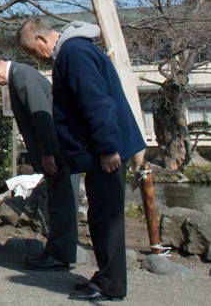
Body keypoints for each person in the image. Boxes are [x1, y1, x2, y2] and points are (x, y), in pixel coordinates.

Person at [18, 20, 146, 302]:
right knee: (101, 215)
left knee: (105, 217)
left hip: (105, 151)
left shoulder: (73, 52)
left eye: (32, 51)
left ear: (41, 37)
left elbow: (95, 101)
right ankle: (107, 279)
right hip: (100, 149)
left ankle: (110, 284)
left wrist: (108, 147)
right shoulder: (75, 50)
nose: (36, 58)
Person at [0, 52, 78, 270]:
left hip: (57, 149)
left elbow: (42, 114)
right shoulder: (20, 75)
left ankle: (60, 254)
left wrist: (48, 152)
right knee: (58, 201)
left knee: (61, 202)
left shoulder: (21, 76)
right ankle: (57, 251)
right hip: (57, 147)